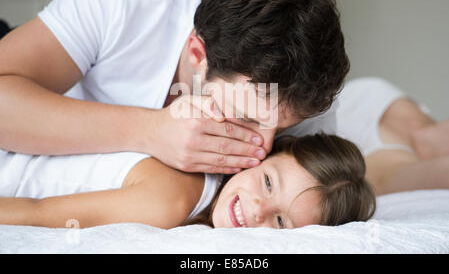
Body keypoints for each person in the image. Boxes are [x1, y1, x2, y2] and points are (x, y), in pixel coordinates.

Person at [0, 0, 349, 175]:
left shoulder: (305, 99)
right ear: (198, 53)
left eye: (282, 130)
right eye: (246, 118)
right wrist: (151, 131)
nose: (262, 150)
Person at [0, 133, 376, 229]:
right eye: (268, 183)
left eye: (281, 221)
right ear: (264, 154)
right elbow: (38, 212)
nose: (258, 209)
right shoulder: (171, 200)